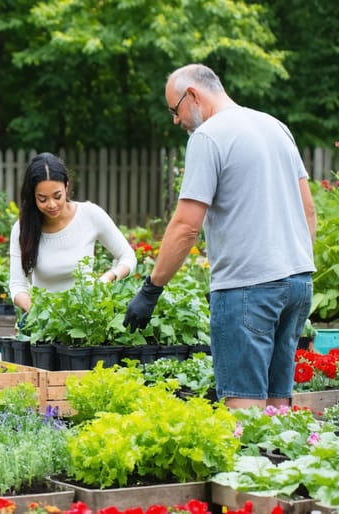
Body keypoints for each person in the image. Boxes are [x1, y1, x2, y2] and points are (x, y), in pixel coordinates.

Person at [123, 63, 316, 410]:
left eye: (174, 109)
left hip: (248, 288)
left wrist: (151, 289)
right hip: (298, 283)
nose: (176, 121)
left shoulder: (208, 137)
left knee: (246, 417)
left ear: (193, 95)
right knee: (277, 412)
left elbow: (186, 225)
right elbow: (309, 211)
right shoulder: (275, 127)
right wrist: (297, 268)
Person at [9, 152, 137, 314]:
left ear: (67, 186)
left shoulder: (90, 214)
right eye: (42, 199)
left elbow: (128, 256)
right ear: (32, 196)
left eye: (57, 196)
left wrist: (108, 277)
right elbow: (17, 285)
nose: (52, 204)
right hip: (45, 321)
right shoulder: (23, 228)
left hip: (88, 316)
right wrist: (38, 312)